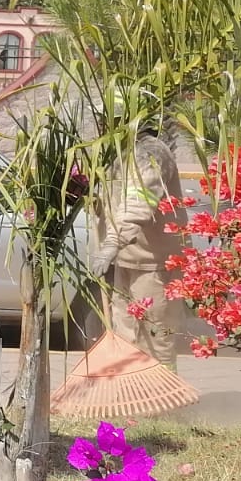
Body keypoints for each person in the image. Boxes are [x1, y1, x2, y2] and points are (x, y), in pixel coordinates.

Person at [90, 104, 189, 369]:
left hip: (156, 266)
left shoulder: (151, 154)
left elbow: (139, 201)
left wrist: (112, 242)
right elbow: (113, 201)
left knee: (157, 339)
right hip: (128, 261)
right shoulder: (117, 154)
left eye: (109, 118)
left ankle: (165, 404)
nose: (103, 125)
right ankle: (133, 401)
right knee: (126, 337)